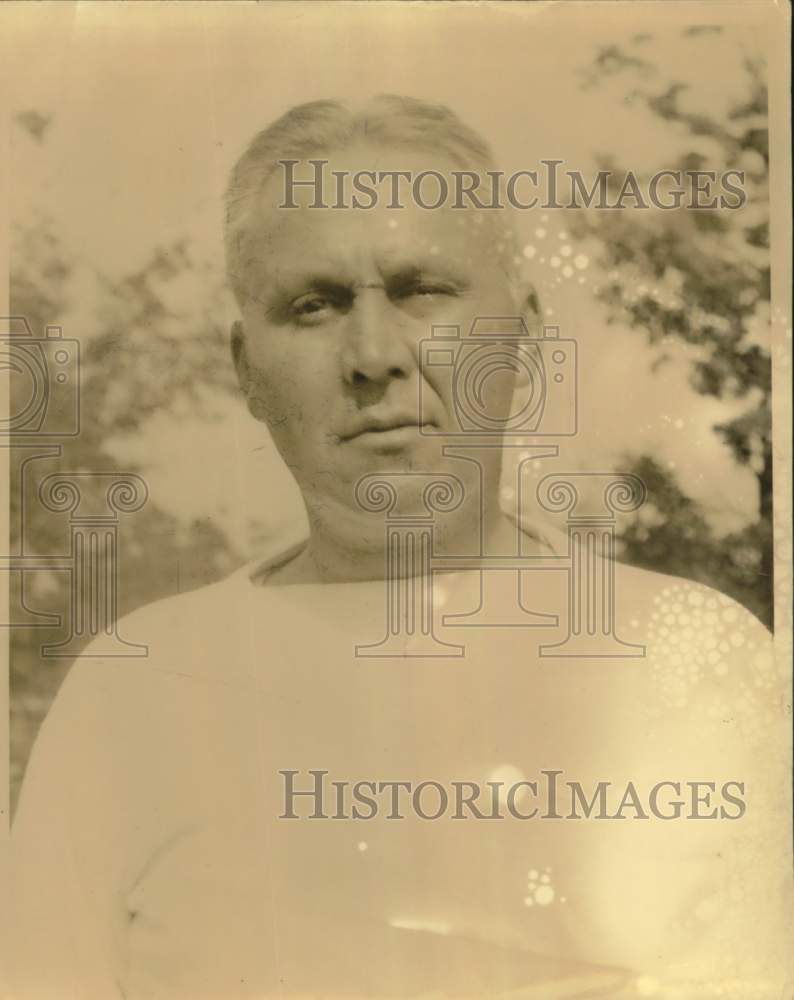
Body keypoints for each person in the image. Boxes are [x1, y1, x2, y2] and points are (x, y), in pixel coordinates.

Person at [9, 96, 791, 999]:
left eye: (422, 290)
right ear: (245, 369)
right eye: (314, 305)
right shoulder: (137, 688)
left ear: (526, 335)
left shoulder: (695, 658)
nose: (373, 354)